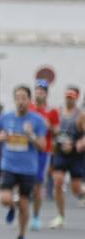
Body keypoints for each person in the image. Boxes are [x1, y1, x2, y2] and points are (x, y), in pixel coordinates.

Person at [0, 85, 49, 239]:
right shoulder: (6, 117)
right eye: (17, 98)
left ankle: (21, 237)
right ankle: (11, 207)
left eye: (24, 98)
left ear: (29, 100)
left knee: (24, 206)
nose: (20, 101)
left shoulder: (37, 120)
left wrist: (31, 135)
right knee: (4, 198)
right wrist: (0, 137)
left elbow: (42, 146)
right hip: (9, 165)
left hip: (28, 168)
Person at [49, 86, 84, 227]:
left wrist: (77, 144)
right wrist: (53, 143)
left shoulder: (80, 115)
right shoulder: (58, 113)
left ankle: (82, 193)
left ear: (76, 99)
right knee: (57, 182)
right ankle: (60, 216)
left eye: (72, 98)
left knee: (75, 189)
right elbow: (52, 131)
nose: (69, 100)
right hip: (60, 154)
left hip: (75, 156)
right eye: (67, 97)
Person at [29, 79, 58, 232]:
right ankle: (17, 206)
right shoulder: (28, 108)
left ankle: (35, 217)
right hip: (26, 150)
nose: (39, 93)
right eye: (37, 91)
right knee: (20, 182)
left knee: (37, 186)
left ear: (46, 94)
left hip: (42, 152)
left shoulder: (51, 112)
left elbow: (57, 132)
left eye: (42, 91)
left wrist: (50, 127)